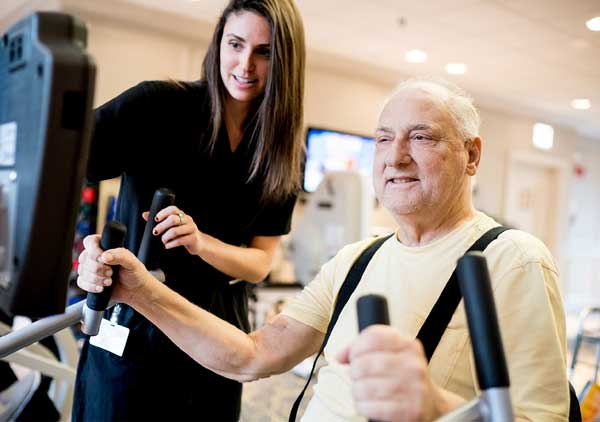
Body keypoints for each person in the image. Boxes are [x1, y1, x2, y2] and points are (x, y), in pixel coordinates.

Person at [77, 78, 569, 421]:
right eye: (383, 138)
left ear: (472, 155)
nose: (396, 155)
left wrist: (439, 411)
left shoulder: (514, 259)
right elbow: (251, 355)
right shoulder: (358, 259)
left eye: (421, 137)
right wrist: (140, 292)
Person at [73, 0, 306, 420]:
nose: (245, 65)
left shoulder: (282, 150)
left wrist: (201, 243)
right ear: (218, 43)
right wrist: (89, 253)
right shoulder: (156, 106)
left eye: (264, 52)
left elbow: (259, 264)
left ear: (284, 61)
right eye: (235, 44)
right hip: (134, 329)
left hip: (216, 340)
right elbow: (61, 163)